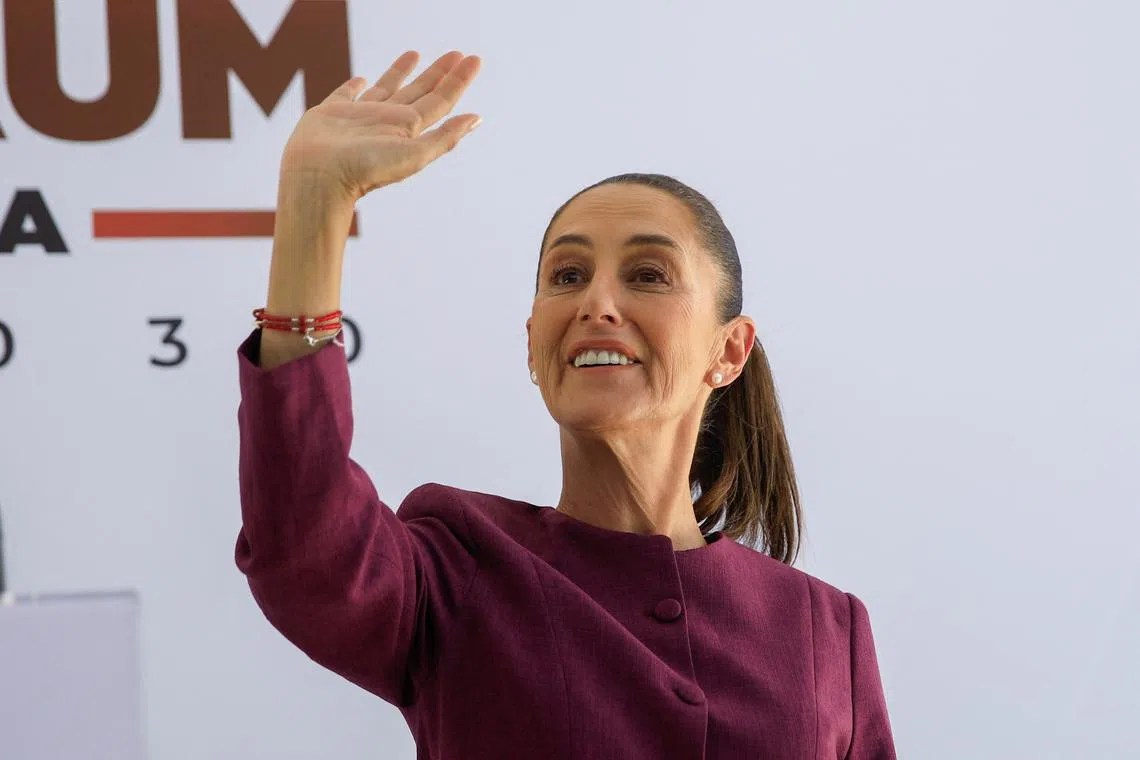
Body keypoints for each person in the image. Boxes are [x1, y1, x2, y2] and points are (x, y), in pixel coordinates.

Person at [234, 49, 897, 759]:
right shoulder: (458, 567)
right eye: (568, 275)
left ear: (729, 351)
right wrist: (314, 198)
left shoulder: (828, 628)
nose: (596, 304)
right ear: (533, 344)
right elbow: (302, 543)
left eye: (647, 274)